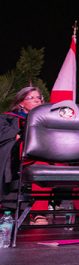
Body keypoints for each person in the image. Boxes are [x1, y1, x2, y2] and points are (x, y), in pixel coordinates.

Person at [0, 87, 50, 223]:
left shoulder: (49, 119)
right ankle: (37, 213)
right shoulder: (9, 118)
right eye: (31, 97)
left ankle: (39, 213)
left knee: (43, 166)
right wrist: (17, 136)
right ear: (21, 103)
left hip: (46, 155)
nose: (36, 100)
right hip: (18, 155)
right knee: (42, 165)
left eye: (38, 97)